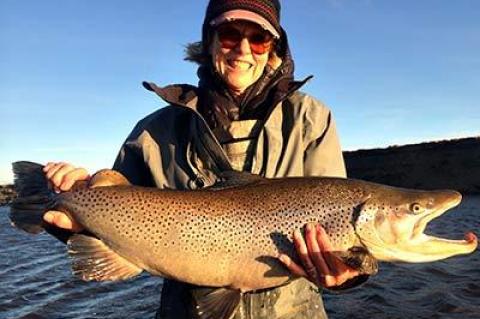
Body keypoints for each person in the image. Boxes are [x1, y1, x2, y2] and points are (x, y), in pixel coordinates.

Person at [42, 0, 365, 318]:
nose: (242, 49)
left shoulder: (310, 118)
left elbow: (349, 240)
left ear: (274, 50)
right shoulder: (153, 132)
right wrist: (72, 206)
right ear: (208, 43)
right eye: (229, 34)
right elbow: (110, 212)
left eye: (258, 38)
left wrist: (351, 272)